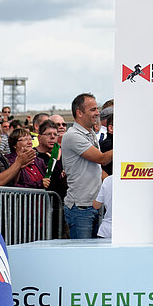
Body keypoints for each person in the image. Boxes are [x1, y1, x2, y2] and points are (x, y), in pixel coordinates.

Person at [62, 93, 114, 239]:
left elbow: (97, 168)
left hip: (91, 207)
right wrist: (123, 145)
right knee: (81, 256)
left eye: (96, 109)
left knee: (91, 256)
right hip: (81, 209)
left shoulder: (90, 134)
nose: (97, 113)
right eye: (93, 109)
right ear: (79, 113)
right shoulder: (72, 135)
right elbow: (101, 159)